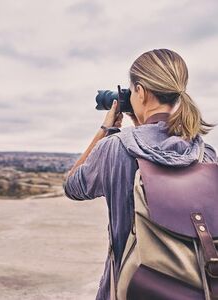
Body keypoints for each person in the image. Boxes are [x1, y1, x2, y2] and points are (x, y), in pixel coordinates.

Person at [62, 48, 217, 300]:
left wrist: (106, 129)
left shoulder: (116, 148)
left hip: (130, 288)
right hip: (197, 288)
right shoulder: (205, 153)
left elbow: (72, 186)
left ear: (141, 92)